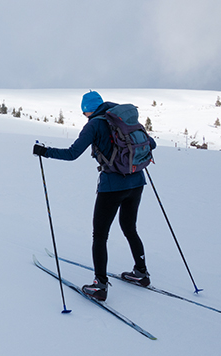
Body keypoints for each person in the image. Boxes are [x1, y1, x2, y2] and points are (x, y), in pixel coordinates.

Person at [32, 91, 157, 301]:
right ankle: (142, 273)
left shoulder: (94, 125)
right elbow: (150, 144)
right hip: (137, 182)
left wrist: (44, 152)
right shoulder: (122, 119)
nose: (84, 115)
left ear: (87, 109)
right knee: (129, 227)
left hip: (111, 186)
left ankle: (100, 286)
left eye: (84, 112)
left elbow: (72, 154)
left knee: (100, 235)